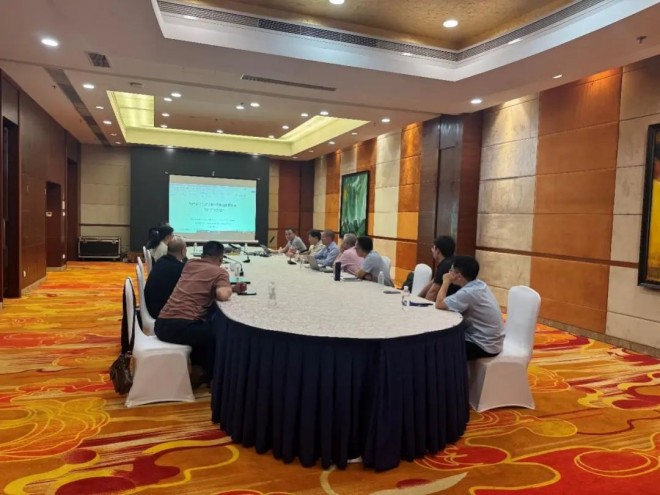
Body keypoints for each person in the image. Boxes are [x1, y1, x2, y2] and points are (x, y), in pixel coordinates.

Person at [155, 241, 247, 387]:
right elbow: (222, 295)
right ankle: (209, 377)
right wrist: (227, 287)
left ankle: (198, 369)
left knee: (203, 327)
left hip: (161, 324)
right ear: (221, 258)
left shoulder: (189, 264)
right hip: (181, 327)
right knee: (221, 332)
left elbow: (200, 285)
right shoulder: (220, 272)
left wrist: (231, 288)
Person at [435, 256, 505, 361]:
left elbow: (439, 304)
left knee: (440, 347)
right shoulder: (480, 284)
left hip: (484, 344)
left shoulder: (468, 293)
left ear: (458, 276)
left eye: (451, 271)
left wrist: (446, 281)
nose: (448, 273)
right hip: (493, 340)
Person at [144, 236, 187, 318]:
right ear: (183, 251)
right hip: (161, 311)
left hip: (151, 305)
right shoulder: (179, 268)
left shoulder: (161, 261)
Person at [418, 235, 460, 300]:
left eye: (433, 248)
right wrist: (417, 297)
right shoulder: (453, 261)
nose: (432, 250)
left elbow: (433, 292)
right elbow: (433, 282)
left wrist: (422, 304)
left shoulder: (445, 266)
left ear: (437, 251)